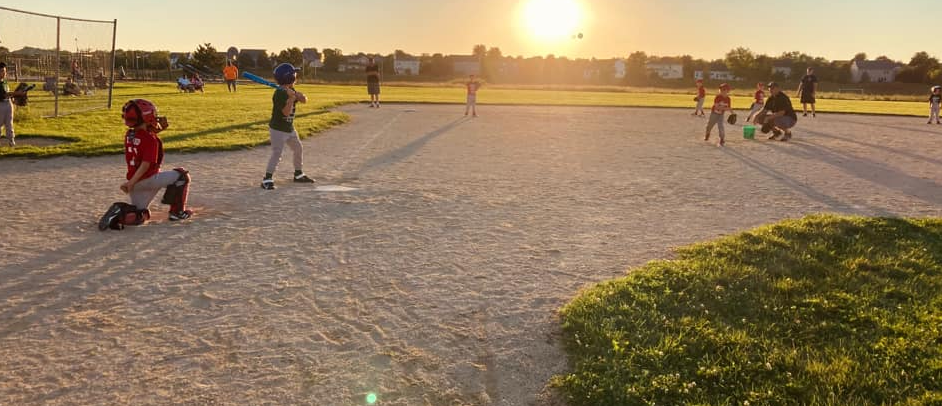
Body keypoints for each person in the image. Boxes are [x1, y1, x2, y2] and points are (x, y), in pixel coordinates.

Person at [98, 99, 192, 230]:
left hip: (135, 182)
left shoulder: (129, 134)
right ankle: (177, 213)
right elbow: (145, 164)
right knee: (182, 175)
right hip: (148, 179)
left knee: (141, 214)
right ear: (147, 117)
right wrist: (130, 184)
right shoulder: (150, 139)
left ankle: (119, 213)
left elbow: (143, 138)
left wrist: (131, 183)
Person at [260, 63, 316, 190]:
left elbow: (304, 100)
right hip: (278, 129)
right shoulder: (279, 94)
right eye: (294, 74)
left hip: (289, 128)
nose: (296, 76)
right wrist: (290, 99)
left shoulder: (291, 89)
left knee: (298, 148)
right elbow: (285, 112)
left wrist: (299, 96)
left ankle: (298, 174)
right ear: (290, 77)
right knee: (277, 153)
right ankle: (267, 179)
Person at [0, 62, 29, 147]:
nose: (4, 73)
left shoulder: (4, 82)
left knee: (9, 123)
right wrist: (18, 93)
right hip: (1, 105)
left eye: (4, 71)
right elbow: (5, 94)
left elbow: (8, 94)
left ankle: (11, 141)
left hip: (8, 104)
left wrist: (13, 99)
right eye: (2, 71)